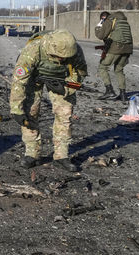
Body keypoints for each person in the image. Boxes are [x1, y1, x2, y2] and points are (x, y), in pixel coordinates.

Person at [10, 29, 87, 171]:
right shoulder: (34, 49)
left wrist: (66, 88)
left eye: (65, 58)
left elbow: (80, 77)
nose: (62, 60)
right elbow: (19, 81)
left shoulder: (75, 51)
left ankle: (61, 156)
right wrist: (16, 109)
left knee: (64, 114)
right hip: (34, 79)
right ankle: (32, 154)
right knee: (30, 113)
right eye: (58, 57)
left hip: (63, 81)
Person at [94, 11, 133, 101]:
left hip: (117, 47)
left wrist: (99, 26)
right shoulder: (124, 22)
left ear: (104, 17)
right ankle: (123, 94)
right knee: (119, 69)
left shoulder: (109, 21)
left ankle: (109, 90)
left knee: (102, 67)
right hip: (128, 48)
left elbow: (100, 35)